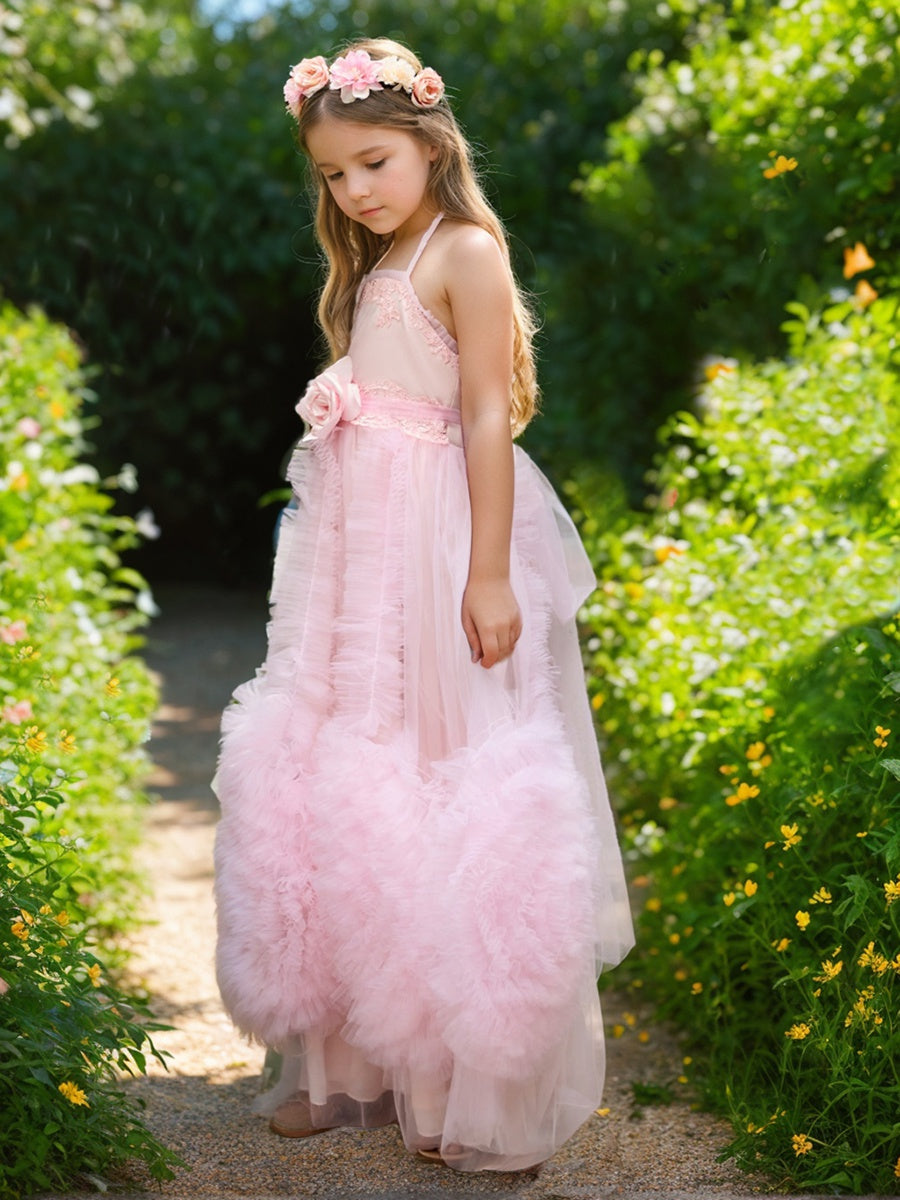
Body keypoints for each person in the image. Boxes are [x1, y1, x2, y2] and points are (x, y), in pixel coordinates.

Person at [213, 36, 634, 1174]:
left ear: (430, 145)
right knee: (352, 775)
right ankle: (346, 1070)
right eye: (335, 175)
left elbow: (488, 416)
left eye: (374, 161)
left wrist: (487, 571)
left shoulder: (466, 251)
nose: (356, 189)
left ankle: (466, 1090)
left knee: (444, 767)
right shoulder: (371, 267)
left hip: (440, 538)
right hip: (358, 550)